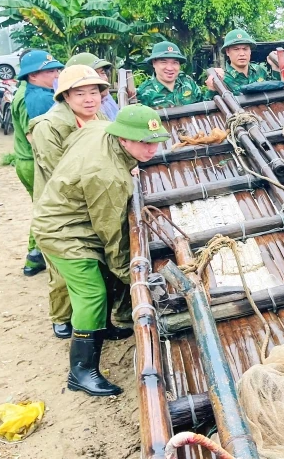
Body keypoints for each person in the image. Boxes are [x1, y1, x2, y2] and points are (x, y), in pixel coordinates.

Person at [32, 104, 170, 396]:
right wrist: (132, 278)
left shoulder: (98, 127)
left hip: (68, 212)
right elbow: (112, 237)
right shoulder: (108, 176)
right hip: (62, 232)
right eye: (144, 143)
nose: (151, 150)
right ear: (123, 139)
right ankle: (81, 371)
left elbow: (73, 142)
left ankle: (102, 328)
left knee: (100, 284)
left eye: (155, 141)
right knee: (91, 293)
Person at [30, 65, 110, 339]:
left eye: (94, 92)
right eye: (80, 94)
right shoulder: (48, 127)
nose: (89, 99)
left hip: (86, 199)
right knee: (62, 269)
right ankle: (61, 316)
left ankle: (87, 316)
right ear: (65, 96)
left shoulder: (95, 117)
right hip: (59, 205)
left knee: (90, 261)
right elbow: (60, 173)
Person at [11, 50, 64, 276]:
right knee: (46, 208)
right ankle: (36, 257)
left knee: (41, 206)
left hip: (28, 160)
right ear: (32, 75)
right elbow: (37, 138)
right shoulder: (35, 98)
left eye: (56, 69)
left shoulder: (32, 91)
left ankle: (35, 256)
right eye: (50, 70)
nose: (56, 74)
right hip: (33, 162)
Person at [206, 29, 280, 95]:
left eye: (245, 49)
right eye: (236, 49)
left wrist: (276, 68)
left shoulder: (259, 70)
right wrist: (212, 89)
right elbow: (209, 105)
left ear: (250, 51)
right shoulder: (222, 79)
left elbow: (276, 93)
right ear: (228, 52)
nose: (242, 54)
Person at [137, 41, 206, 108]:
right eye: (164, 62)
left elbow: (205, 107)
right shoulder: (143, 93)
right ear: (154, 63)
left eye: (175, 63)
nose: (170, 68)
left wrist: (212, 90)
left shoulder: (187, 82)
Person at [65, 52, 118, 120]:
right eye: (95, 74)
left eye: (103, 73)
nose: (104, 79)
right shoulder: (63, 117)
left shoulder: (106, 99)